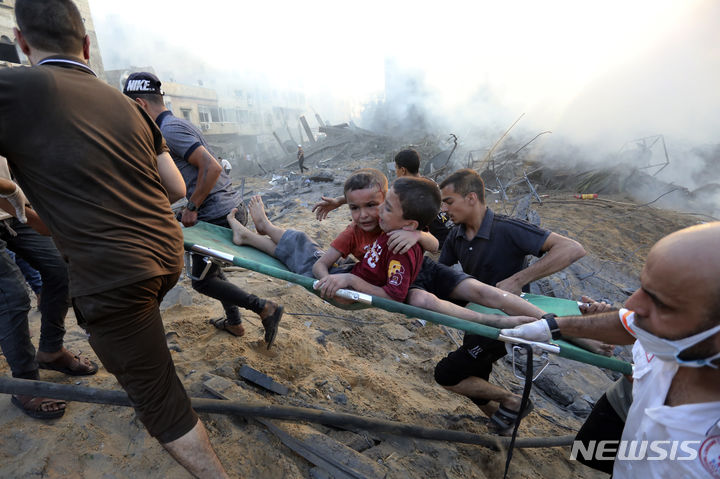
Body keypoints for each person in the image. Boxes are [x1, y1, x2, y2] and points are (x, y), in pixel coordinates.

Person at [0, 2, 228, 475]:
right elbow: (176, 187)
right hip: (166, 256)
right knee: (140, 333)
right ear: (85, 46)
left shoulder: (16, 86)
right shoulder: (129, 104)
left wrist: (10, 190)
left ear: (22, 43)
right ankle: (66, 348)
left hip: (114, 274)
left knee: (159, 397)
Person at [501, 222, 720, 478]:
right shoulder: (678, 338)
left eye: (662, 303)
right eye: (643, 288)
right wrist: (551, 327)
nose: (631, 304)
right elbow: (625, 322)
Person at [230, 169, 542, 326]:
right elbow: (325, 260)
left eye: (379, 206)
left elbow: (433, 243)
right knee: (298, 250)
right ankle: (259, 232)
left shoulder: (399, 221)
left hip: (413, 270)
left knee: (484, 292)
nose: (371, 215)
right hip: (382, 276)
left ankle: (555, 323)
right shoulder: (370, 223)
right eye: (356, 208)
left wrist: (417, 235)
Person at [124, 71, 284, 345]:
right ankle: (234, 323)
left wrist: (192, 206)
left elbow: (212, 167)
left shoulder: (168, 130)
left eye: (129, 110)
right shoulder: (175, 124)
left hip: (215, 214)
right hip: (225, 206)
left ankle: (263, 307)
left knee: (201, 281)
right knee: (210, 269)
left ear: (140, 104)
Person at [433, 168, 587, 434]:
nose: (444, 210)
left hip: (511, 323)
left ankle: (514, 401)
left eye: (448, 201)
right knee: (474, 379)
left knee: (447, 374)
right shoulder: (455, 236)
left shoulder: (507, 229)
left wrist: (518, 279)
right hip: (478, 320)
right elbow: (440, 275)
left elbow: (572, 249)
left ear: (471, 198)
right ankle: (504, 425)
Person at [1, 160, 97, 420]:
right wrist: (14, 193)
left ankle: (51, 350)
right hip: (10, 199)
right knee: (11, 297)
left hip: (9, 210)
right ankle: (26, 384)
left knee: (61, 268)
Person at [313, 176, 441, 303]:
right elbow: (320, 264)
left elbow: (435, 246)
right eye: (354, 208)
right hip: (364, 277)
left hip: (412, 274)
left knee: (427, 297)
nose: (364, 215)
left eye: (372, 205)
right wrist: (330, 283)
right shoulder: (363, 229)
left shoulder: (398, 235)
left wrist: (418, 235)